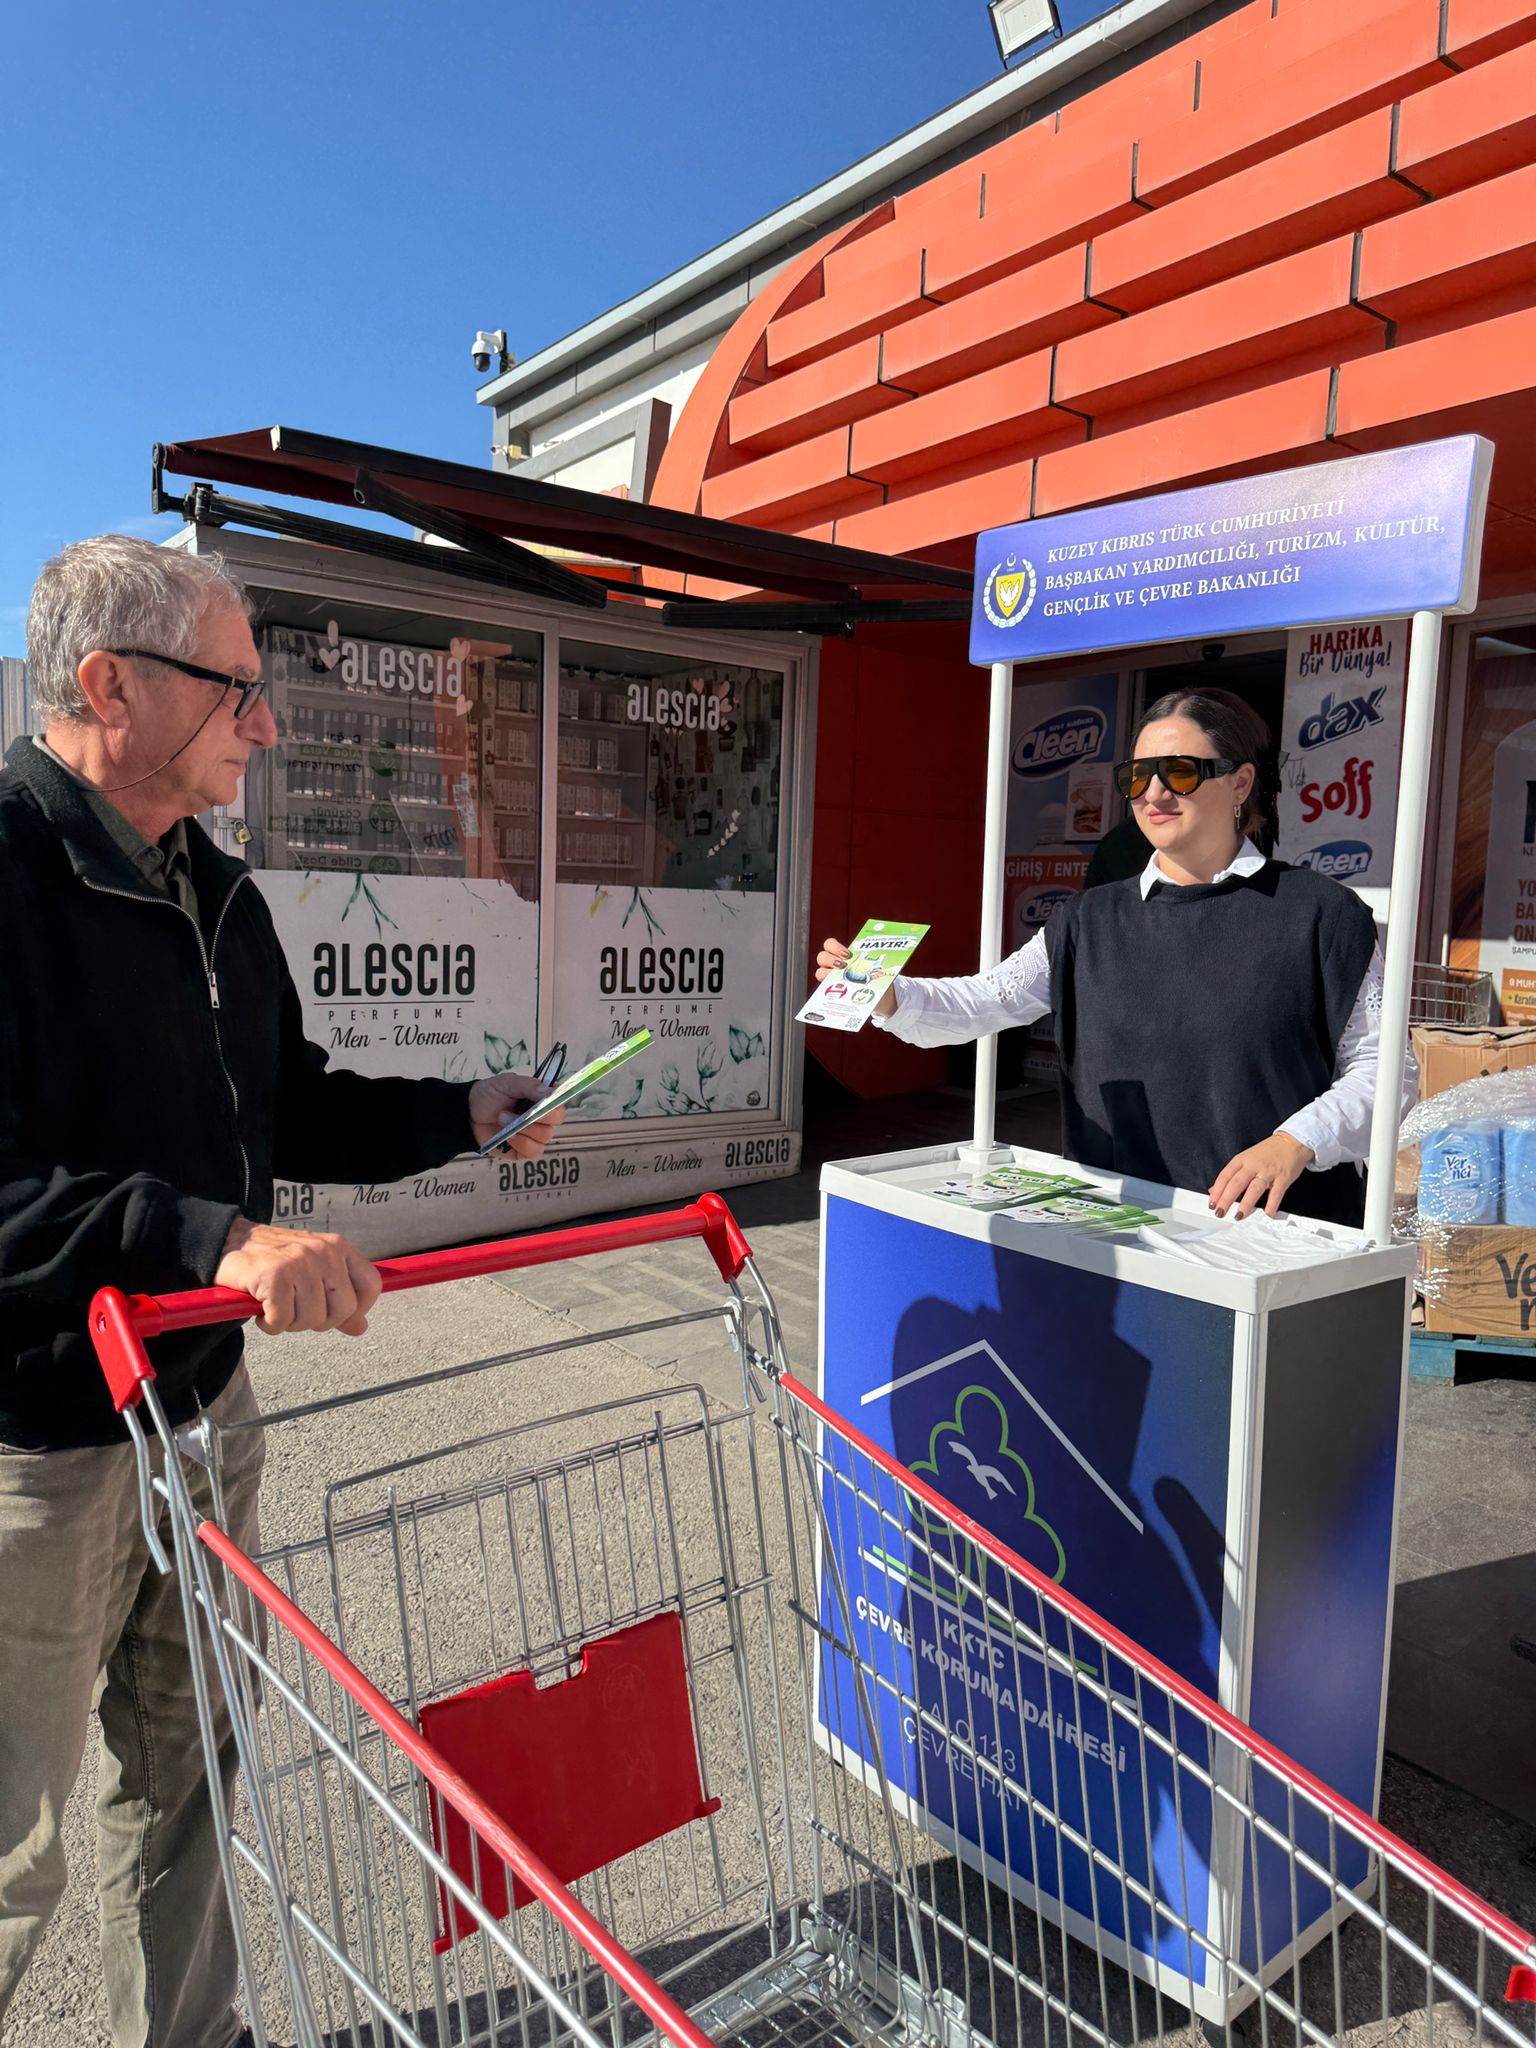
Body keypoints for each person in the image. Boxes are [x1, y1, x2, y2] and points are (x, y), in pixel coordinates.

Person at [0, 536, 563, 2048]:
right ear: (109, 684)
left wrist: (461, 1110)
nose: (266, 722)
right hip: (36, 1447)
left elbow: (287, 1107)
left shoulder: (222, 898)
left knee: (191, 1779)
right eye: (235, 687)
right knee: (10, 1852)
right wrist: (216, 1243)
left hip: (198, 1413)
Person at [817, 688, 1415, 1225]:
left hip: (1278, 1236)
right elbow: (989, 999)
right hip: (1117, 1229)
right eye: (1137, 776)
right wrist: (891, 996)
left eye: (1179, 772)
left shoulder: (1322, 913)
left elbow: (1387, 1072)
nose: (1154, 793)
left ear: (1240, 784)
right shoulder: (1088, 919)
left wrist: (1296, 1141)